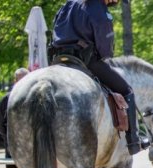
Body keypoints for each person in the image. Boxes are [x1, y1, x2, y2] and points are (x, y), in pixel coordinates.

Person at [50, 0, 143, 155]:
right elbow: (105, 50)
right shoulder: (98, 8)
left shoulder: (68, 4)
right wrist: (105, 55)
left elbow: (55, 28)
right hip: (86, 60)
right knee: (127, 90)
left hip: (58, 58)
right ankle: (133, 141)